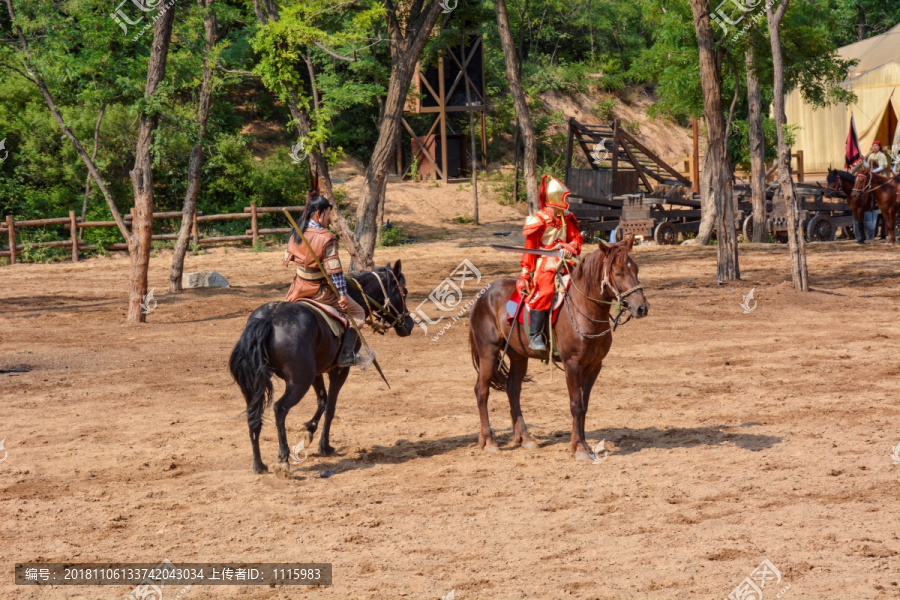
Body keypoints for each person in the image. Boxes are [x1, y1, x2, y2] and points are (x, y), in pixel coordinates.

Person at [283, 192, 366, 367]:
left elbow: (287, 259)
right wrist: (342, 295)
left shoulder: (296, 232)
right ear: (318, 213)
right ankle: (345, 355)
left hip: (297, 289)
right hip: (320, 292)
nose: (329, 218)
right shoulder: (327, 237)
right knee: (358, 312)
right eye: (328, 214)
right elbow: (335, 272)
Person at [517, 175, 583, 351]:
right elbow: (529, 249)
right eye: (565, 197)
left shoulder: (567, 217)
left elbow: (576, 237)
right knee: (546, 289)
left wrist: (572, 246)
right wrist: (525, 273)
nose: (567, 201)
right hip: (546, 262)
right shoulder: (538, 220)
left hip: (566, 260)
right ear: (556, 198)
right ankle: (536, 335)